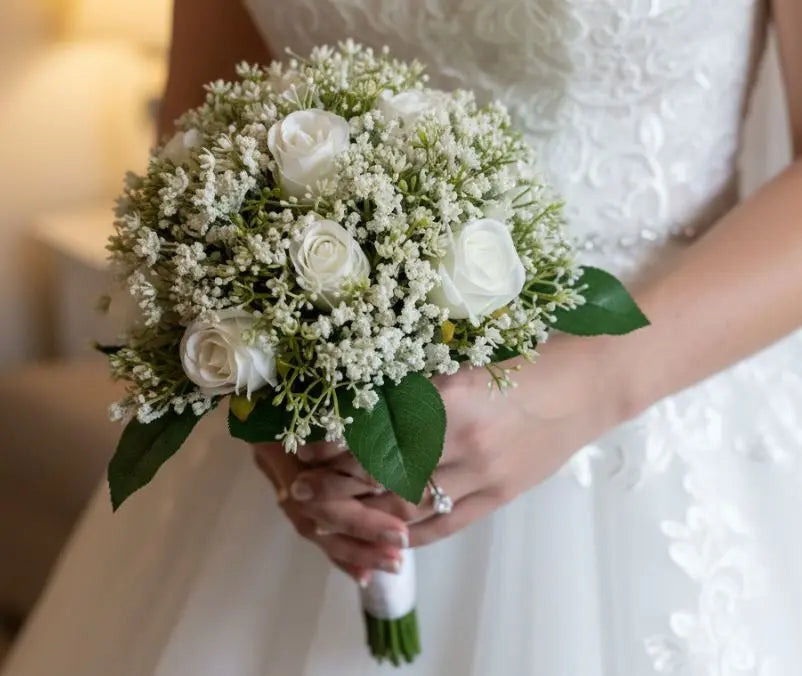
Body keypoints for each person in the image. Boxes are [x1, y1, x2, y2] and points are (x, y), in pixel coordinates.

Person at [5, 1, 802, 673]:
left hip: (658, 414)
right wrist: (258, 386)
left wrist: (589, 385)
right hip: (313, 441)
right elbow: (206, 119)